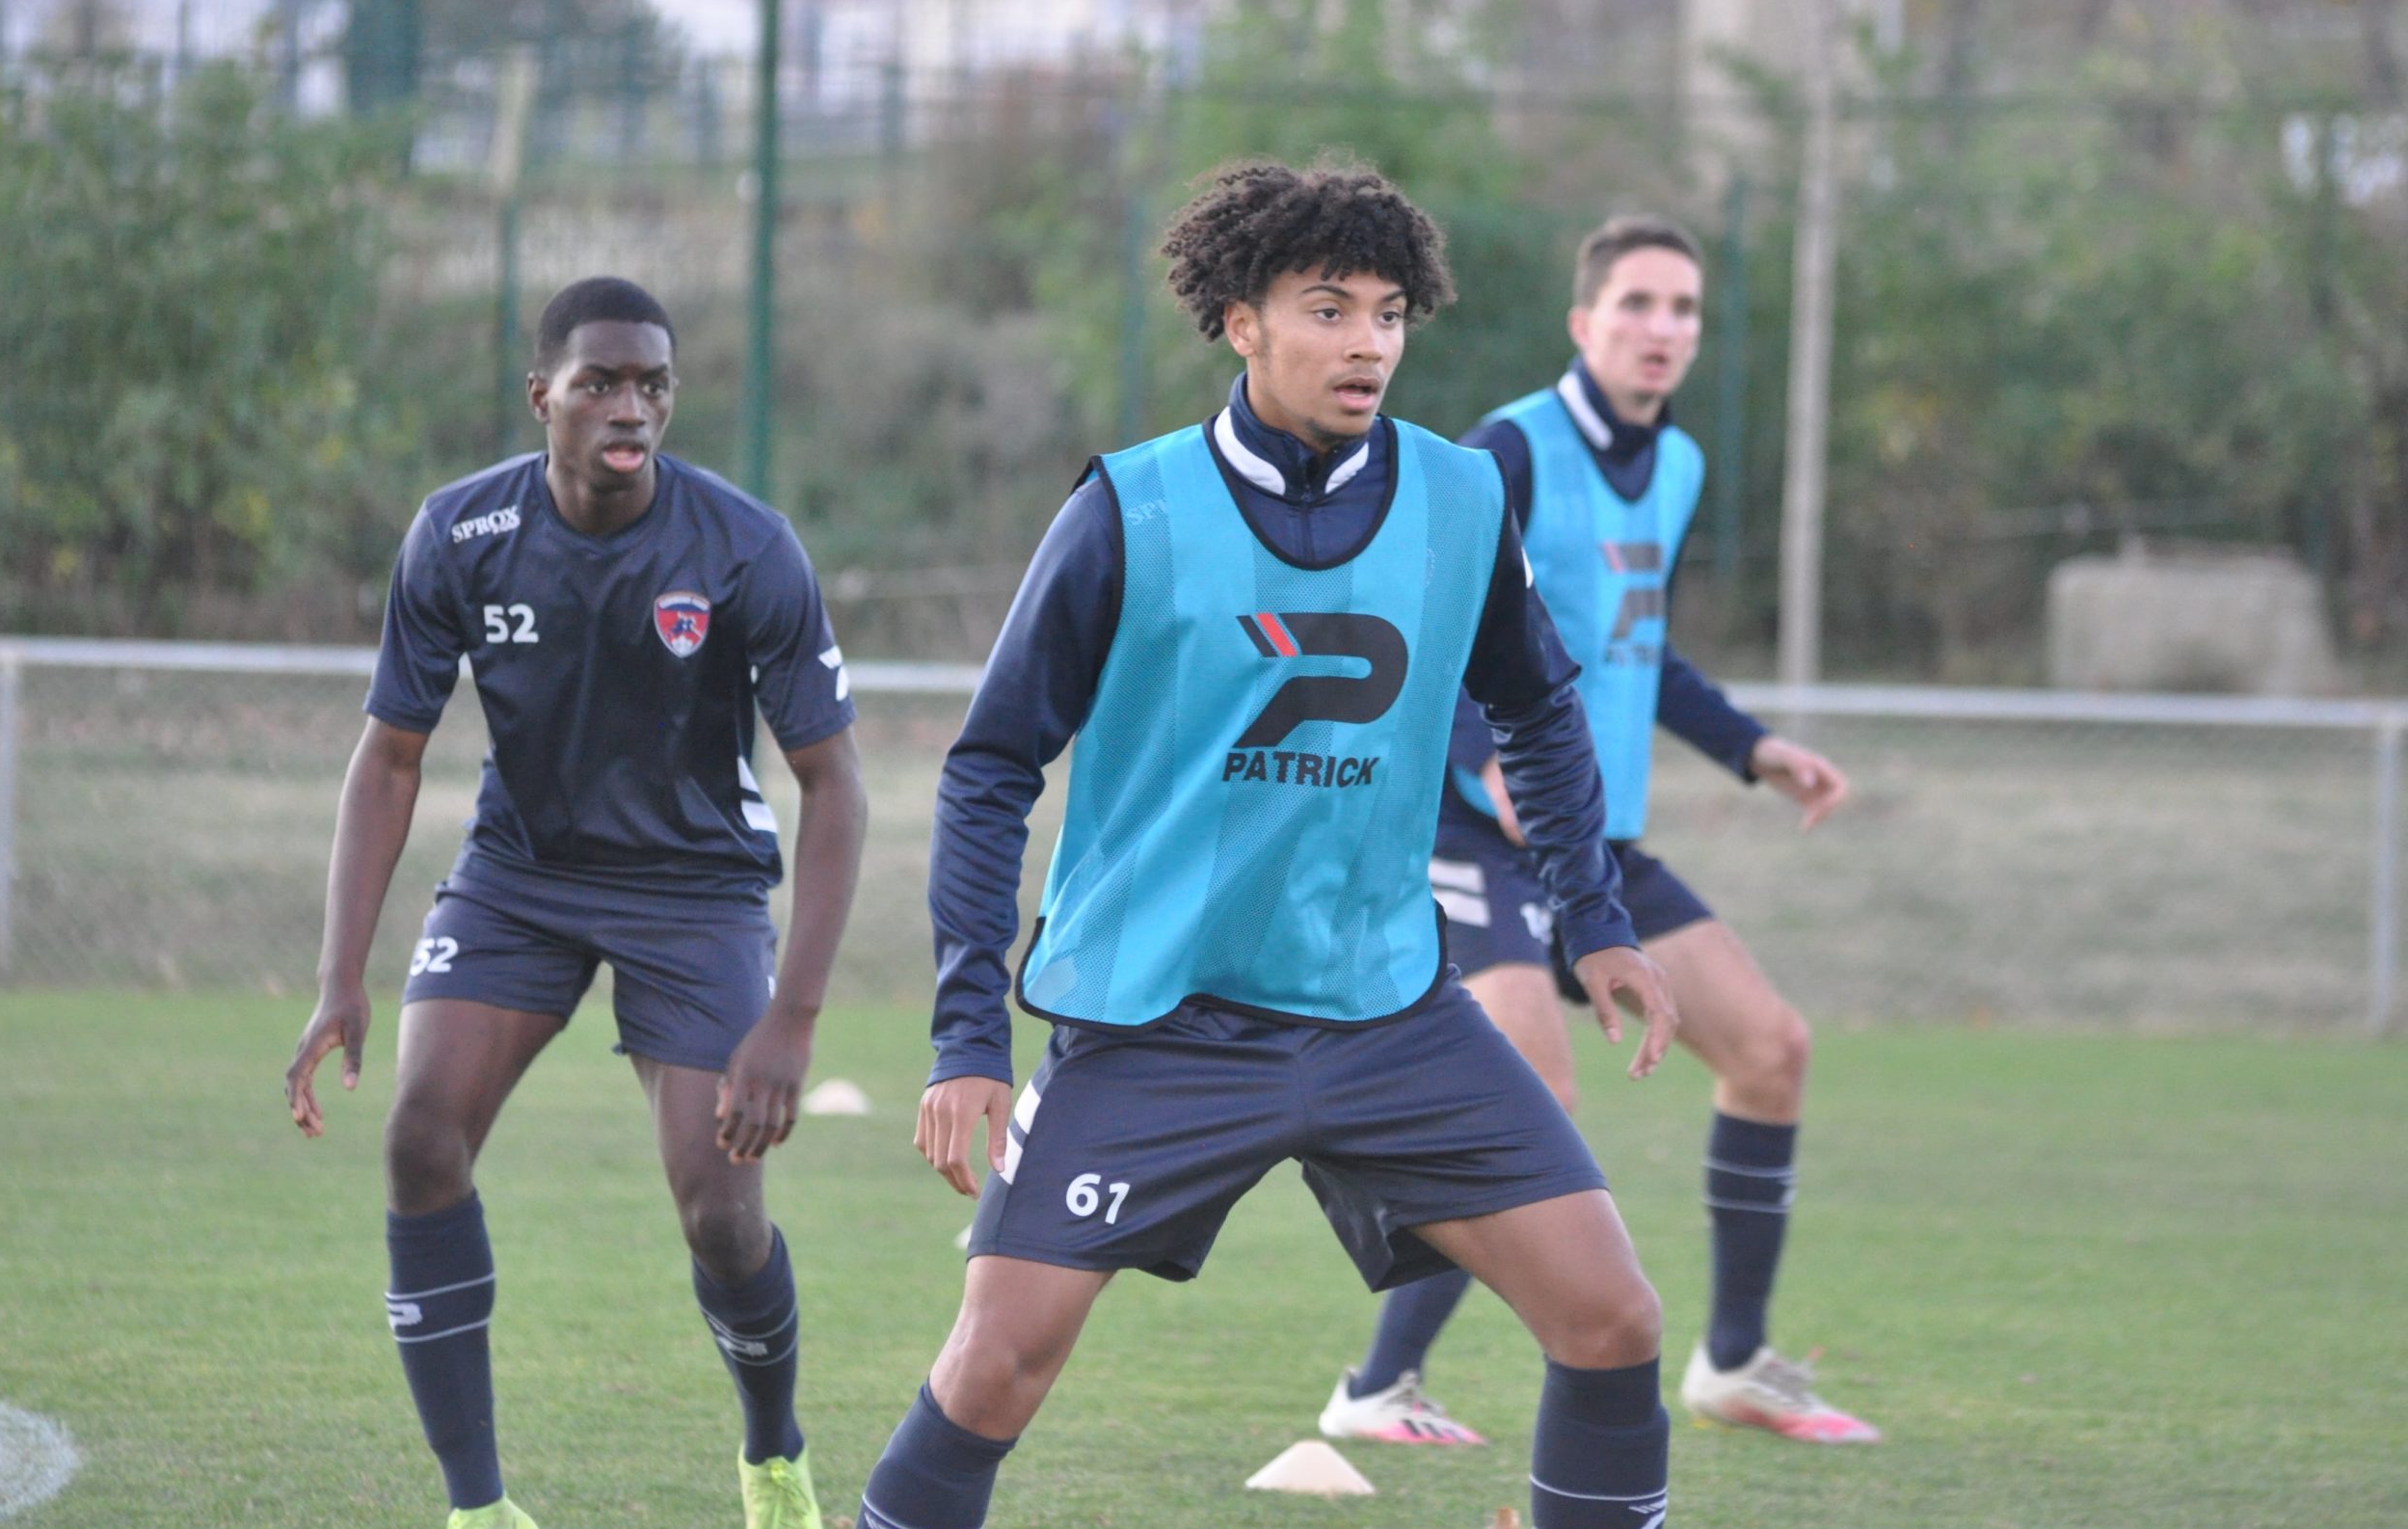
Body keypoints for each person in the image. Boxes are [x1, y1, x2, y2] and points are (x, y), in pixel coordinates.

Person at [852, 160, 1682, 1529]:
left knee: (1612, 1319)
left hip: (1386, 1015)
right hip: (1155, 1020)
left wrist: (1592, 921)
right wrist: (963, 1037)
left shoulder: (1464, 502)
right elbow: (992, 763)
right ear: (1240, 321)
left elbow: (1539, 706)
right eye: (1328, 309)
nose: (1368, 344)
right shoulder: (1134, 507)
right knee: (996, 1368)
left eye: (1389, 313)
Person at [282, 277, 870, 1529]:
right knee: (418, 1136)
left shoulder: (744, 548)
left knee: (720, 1212)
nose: (631, 404)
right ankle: (478, 1508)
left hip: (696, 891)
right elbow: (390, 757)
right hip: (520, 878)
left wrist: (795, 1019)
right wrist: (342, 974)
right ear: (541, 394)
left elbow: (837, 786)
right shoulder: (457, 535)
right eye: (601, 380)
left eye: (653, 383)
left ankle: (773, 1454)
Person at [1320, 215, 1879, 1449]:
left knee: (1770, 1048)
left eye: (1683, 308)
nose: (1662, 327)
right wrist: (1480, 761)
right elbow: (1410, 620)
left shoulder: (1672, 467)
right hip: (1471, 838)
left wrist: (1749, 745)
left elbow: (1635, 642)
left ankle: (1731, 1362)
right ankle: (1375, 1388)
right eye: (1636, 302)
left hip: (1598, 841)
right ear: (1584, 324)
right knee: (1527, 1092)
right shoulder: (1507, 450)